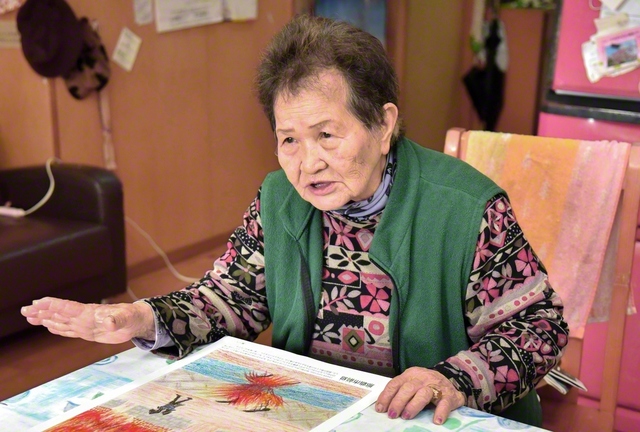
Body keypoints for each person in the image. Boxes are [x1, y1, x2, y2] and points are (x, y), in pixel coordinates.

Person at [21, 14, 568, 427]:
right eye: (289, 140)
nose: (308, 164)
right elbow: (232, 299)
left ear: (383, 126)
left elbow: (539, 328)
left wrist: (452, 379)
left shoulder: (466, 208)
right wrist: (140, 317)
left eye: (327, 135)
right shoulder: (279, 198)